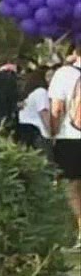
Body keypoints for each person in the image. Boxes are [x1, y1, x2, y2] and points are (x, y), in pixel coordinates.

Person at [49, 48, 81, 245]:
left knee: (72, 186)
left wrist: (53, 133)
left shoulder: (64, 74)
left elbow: (56, 109)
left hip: (70, 137)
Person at [14, 70, 52, 151]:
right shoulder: (41, 92)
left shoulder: (30, 94)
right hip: (38, 132)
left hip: (25, 129)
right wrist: (51, 132)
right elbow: (44, 112)